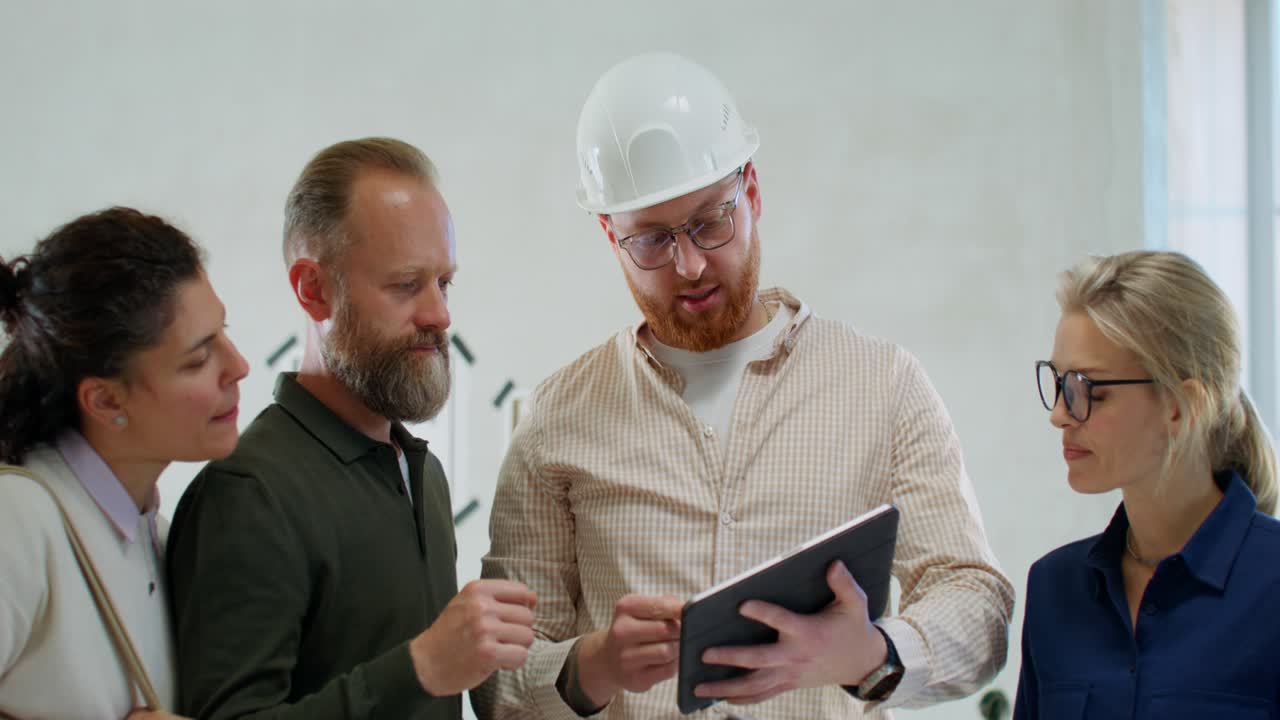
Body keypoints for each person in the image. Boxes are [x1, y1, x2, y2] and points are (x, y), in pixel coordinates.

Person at [474, 53, 1014, 719]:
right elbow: (497, 679)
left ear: (751, 191)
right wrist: (596, 664)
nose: (691, 265)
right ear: (608, 235)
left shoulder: (884, 385)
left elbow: (977, 603)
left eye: (710, 221)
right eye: (650, 241)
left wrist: (873, 652)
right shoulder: (558, 416)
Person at [166, 137, 536, 720]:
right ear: (313, 290)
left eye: (444, 283)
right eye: (405, 285)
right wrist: (420, 669)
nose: (439, 314)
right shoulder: (248, 494)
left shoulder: (424, 474)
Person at [0, 207, 248, 719]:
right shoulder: (17, 520)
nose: (239, 366)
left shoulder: (155, 536)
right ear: (106, 402)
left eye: (224, 332)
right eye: (199, 359)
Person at [1015, 250, 1280, 718]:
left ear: (1179, 405)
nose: (1059, 414)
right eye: (1058, 383)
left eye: (1086, 389)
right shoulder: (1054, 589)